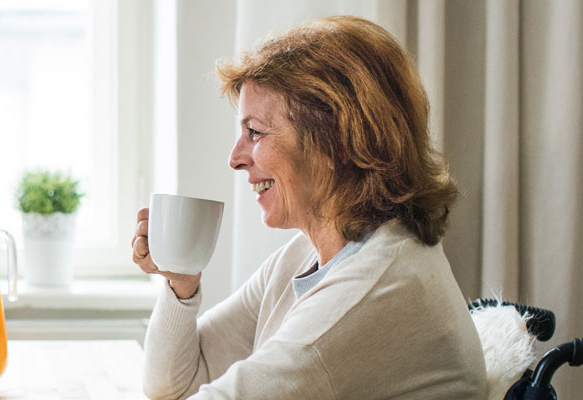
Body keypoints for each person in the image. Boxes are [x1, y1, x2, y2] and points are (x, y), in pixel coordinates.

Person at [132, 16, 485, 399]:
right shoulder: (305, 258)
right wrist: (181, 283)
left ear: (335, 142)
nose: (235, 158)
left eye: (255, 132)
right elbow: (173, 387)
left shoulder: (371, 290)